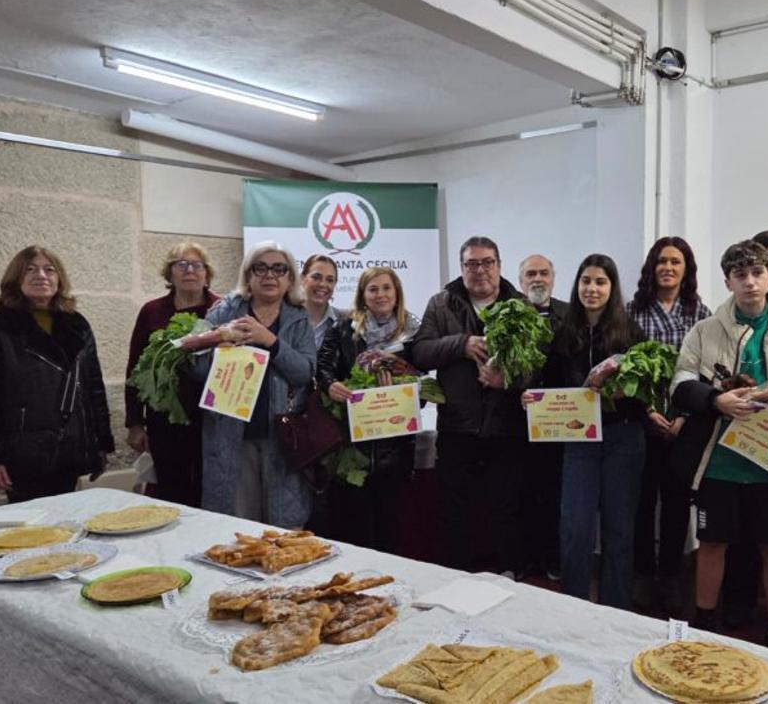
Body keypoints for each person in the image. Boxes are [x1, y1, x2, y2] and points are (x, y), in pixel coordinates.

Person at [671, 240, 768, 651]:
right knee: (712, 542)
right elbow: (680, 382)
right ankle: (704, 621)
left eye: (757, 273)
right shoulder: (704, 330)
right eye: (740, 275)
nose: (750, 282)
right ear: (728, 281)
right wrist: (715, 400)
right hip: (719, 460)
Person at [528, 254, 647, 609]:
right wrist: (532, 398)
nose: (592, 289)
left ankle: (616, 611)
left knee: (619, 532)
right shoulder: (561, 333)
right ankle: (574, 609)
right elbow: (547, 385)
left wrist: (628, 392)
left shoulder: (631, 333)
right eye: (586, 281)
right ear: (576, 285)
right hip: (578, 442)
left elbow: (649, 393)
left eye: (600, 282)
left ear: (612, 288)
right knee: (575, 529)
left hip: (623, 440)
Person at [0, 246, 114, 502]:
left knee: (66, 523)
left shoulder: (77, 326)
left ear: (59, 279)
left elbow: (93, 388)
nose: (41, 275)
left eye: (49, 269)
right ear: (15, 279)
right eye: (29, 269)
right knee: (30, 531)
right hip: (21, 454)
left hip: (71, 448)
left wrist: (99, 444)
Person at [411, 236, 527, 575]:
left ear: (499, 266)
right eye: (472, 264)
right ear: (462, 268)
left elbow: (537, 367)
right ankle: (456, 574)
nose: (480, 270)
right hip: (457, 425)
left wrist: (508, 381)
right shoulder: (441, 303)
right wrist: (461, 344)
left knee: (507, 506)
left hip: (506, 426)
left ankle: (507, 573)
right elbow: (421, 352)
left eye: (487, 262)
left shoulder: (519, 306)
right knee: (455, 508)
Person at [196, 242, 318, 528]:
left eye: (279, 269)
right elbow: (196, 369)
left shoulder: (299, 319)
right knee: (236, 530)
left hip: (282, 436)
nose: (269, 275)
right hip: (231, 436)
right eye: (260, 268)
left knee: (283, 529)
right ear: (248, 276)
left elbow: (304, 372)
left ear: (289, 279)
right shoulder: (220, 313)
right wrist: (219, 346)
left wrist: (270, 341)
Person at [627, 237, 712, 616]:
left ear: (686, 268)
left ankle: (672, 577)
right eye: (662, 261)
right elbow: (624, 367)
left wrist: (684, 416)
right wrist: (646, 410)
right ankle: (643, 574)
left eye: (676, 262)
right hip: (643, 422)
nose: (668, 268)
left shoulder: (700, 314)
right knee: (642, 504)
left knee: (677, 504)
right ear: (652, 267)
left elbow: (708, 371)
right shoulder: (632, 311)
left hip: (684, 425)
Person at [317, 267, 421, 553]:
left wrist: (406, 382)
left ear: (396, 292)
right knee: (355, 523)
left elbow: (422, 382)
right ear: (363, 294)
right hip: (354, 445)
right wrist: (331, 385)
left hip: (396, 446)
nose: (381, 295)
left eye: (386, 288)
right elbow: (323, 368)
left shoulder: (414, 332)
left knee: (392, 523)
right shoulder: (343, 328)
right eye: (373, 289)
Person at [124, 242, 220, 507]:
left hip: (210, 418)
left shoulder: (221, 310)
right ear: (170, 273)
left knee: (209, 488)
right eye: (181, 264)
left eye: (197, 265)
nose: (190, 270)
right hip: (164, 418)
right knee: (170, 490)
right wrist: (135, 422)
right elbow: (136, 368)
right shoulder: (152, 311)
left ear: (207, 273)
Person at [517, 253, 567, 579]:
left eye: (543, 273)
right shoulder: (508, 314)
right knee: (522, 494)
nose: (538, 279)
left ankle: (553, 558)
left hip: (562, 421)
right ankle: (526, 559)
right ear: (521, 282)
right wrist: (516, 390)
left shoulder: (571, 314)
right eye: (531, 274)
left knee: (557, 495)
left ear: (553, 277)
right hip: (518, 424)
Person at [302, 253, 343, 351]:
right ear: (302, 278)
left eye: (330, 280)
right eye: (316, 277)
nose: (323, 284)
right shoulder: (285, 317)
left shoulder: (344, 322)